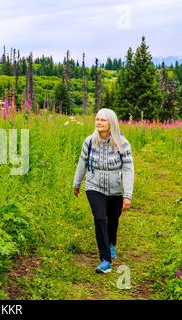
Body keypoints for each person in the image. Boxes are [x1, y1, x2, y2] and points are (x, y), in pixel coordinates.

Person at [73, 108, 134, 274]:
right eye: (97, 119)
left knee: (113, 218)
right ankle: (105, 260)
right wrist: (76, 183)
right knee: (100, 218)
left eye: (103, 120)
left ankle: (111, 243)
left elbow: (128, 169)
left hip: (115, 189)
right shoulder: (89, 141)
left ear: (111, 123)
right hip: (94, 186)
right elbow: (82, 163)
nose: (99, 122)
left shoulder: (122, 143)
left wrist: (127, 195)